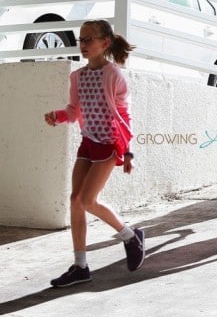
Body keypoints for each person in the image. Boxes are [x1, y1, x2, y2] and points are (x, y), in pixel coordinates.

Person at [44, 19, 144, 288]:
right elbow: (74, 111)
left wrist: (128, 153)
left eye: (89, 39)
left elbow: (124, 116)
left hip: (109, 145)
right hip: (88, 143)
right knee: (76, 200)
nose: (83, 45)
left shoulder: (114, 76)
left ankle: (129, 236)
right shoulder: (77, 76)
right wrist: (58, 116)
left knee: (88, 200)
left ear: (105, 43)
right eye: (81, 40)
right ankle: (80, 266)